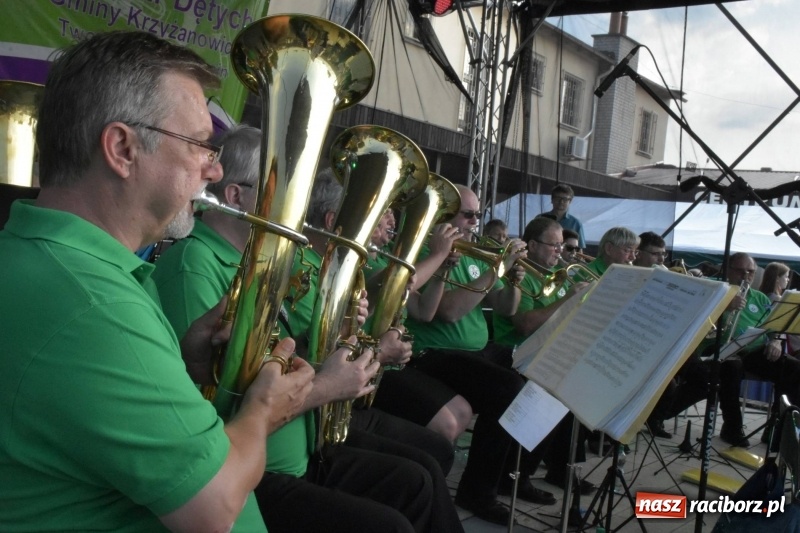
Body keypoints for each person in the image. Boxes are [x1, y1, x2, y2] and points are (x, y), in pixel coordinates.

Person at [0, 32, 317, 532]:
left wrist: (187, 366)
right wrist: (263, 410)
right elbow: (212, 508)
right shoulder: (94, 306)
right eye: (199, 145)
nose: (213, 169)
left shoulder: (59, 266)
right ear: (123, 148)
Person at [153, 126, 460, 533]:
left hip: (297, 446)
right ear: (234, 197)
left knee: (420, 480)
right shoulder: (196, 264)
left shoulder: (257, 262)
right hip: (259, 471)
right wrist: (337, 375)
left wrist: (348, 341)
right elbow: (214, 396)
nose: (296, 206)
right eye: (282, 191)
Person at [399, 184, 551, 525]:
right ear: (444, 216)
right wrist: (497, 268)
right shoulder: (429, 251)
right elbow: (448, 312)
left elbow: (506, 307)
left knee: (538, 376)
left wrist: (512, 277)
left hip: (476, 352)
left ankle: (516, 475)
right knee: (507, 389)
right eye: (468, 214)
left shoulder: (473, 253)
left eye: (477, 214)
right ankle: (478, 490)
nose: (474, 221)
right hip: (434, 353)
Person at [491, 216, 595, 495]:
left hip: (544, 353)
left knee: (578, 389)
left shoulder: (557, 277)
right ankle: (516, 476)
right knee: (551, 392)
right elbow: (524, 324)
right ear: (533, 245)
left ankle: (560, 470)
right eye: (554, 245)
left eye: (562, 246)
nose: (560, 251)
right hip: (514, 354)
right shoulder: (522, 273)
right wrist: (568, 299)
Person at [541, 184, 585, 248]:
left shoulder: (576, 223)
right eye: (558, 198)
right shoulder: (540, 219)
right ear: (552, 200)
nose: (561, 202)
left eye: (565, 199)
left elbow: (579, 249)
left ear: (570, 201)